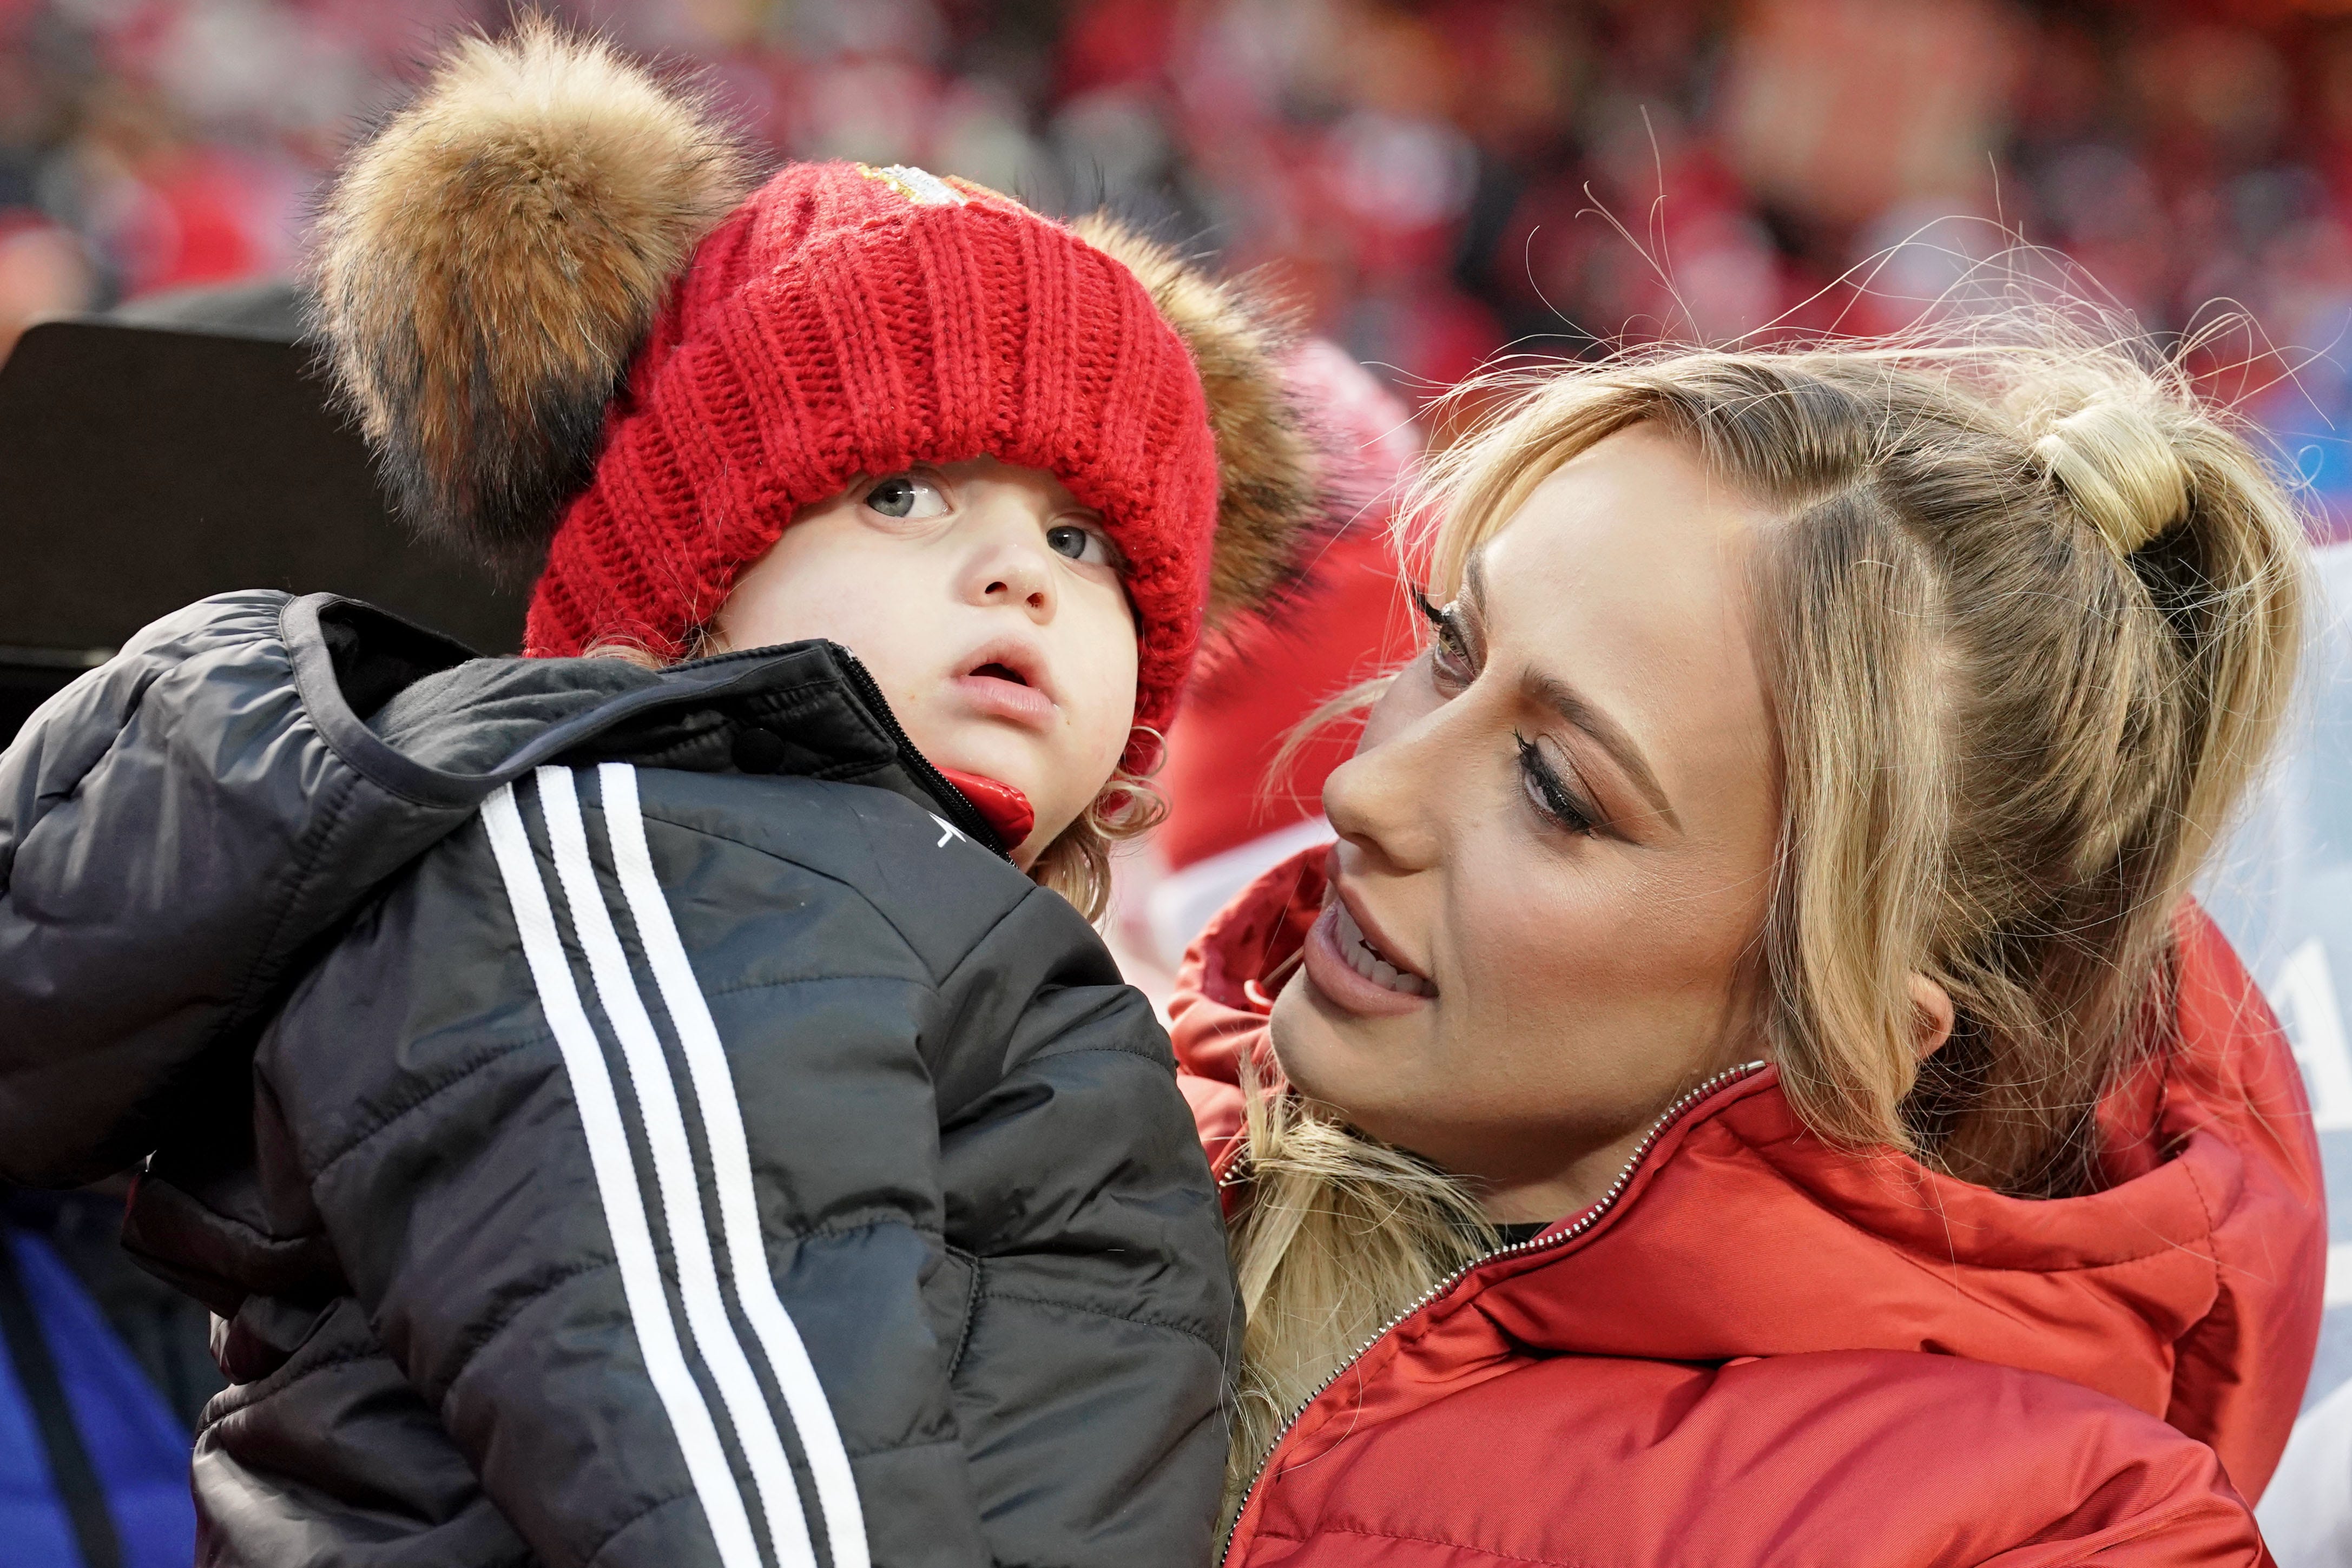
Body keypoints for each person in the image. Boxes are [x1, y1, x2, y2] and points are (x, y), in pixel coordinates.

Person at [0, 21, 1328, 1568]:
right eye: (896, 493)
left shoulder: (888, 920)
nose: (1016, 576)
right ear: (684, 592)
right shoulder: (659, 870)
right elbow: (734, 1480)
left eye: (1086, 541)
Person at [1172, 326, 2330, 1562]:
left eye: (1557, 790)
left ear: (1849, 1024)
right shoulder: (1078, 1100)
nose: (1369, 794)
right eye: (1449, 648)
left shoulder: (2067, 1534)